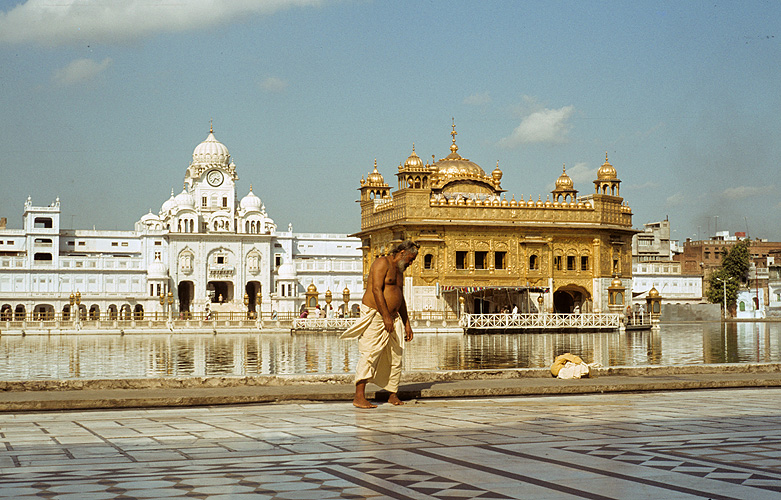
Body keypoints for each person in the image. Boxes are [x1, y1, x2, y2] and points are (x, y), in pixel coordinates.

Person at [341, 239, 419, 409]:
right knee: (370, 353)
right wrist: (385, 316)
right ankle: (359, 396)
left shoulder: (400, 271)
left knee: (395, 355)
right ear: (401, 253)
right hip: (376, 315)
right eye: (410, 259)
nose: (410, 263)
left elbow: (400, 297)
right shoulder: (381, 263)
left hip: (393, 317)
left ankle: (392, 393)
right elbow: (377, 289)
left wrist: (407, 323)